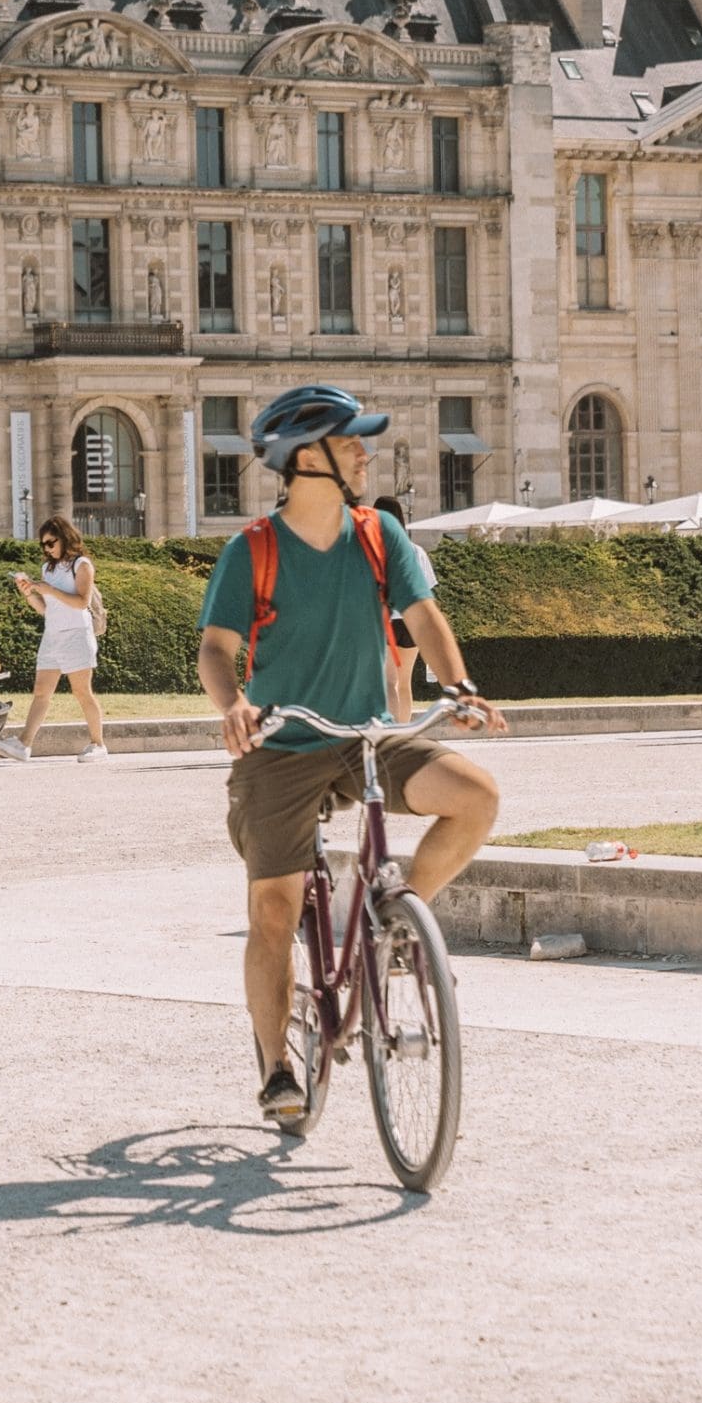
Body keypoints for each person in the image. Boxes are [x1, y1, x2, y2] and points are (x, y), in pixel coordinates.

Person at [193, 385, 507, 1125]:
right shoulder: (253, 551)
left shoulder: (377, 535)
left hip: (368, 733)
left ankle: (397, 921)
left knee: (477, 796)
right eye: (351, 441)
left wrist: (458, 686)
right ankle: (277, 1069)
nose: (366, 453)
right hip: (284, 747)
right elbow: (215, 648)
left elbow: (423, 616)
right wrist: (232, 703)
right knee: (272, 908)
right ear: (309, 459)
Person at [0, 515, 108, 762]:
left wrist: (50, 590)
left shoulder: (82, 564)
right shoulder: (47, 568)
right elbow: (46, 609)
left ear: (65, 538)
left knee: (81, 691)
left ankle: (98, 744)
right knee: (41, 691)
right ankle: (24, 744)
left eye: (51, 542)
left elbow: (81, 602)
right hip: (52, 635)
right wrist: (30, 593)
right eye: (43, 545)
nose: (47, 548)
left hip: (76, 633)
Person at [371, 495, 435, 721]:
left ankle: (393, 734)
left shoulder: (373, 551)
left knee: (389, 681)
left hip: (385, 620)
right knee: (405, 682)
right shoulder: (416, 551)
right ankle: (406, 732)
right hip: (411, 622)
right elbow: (428, 592)